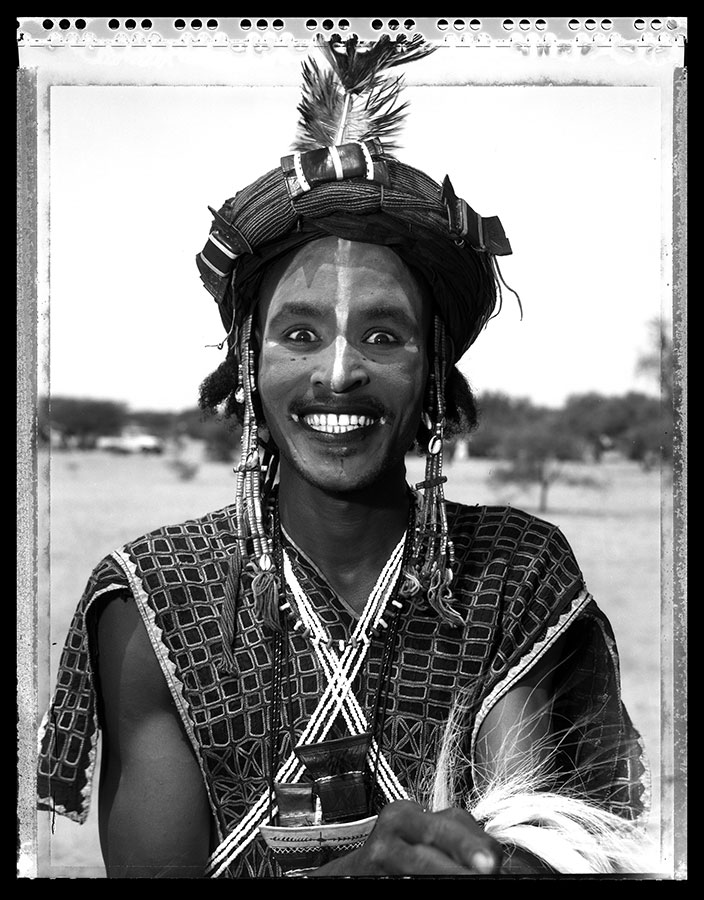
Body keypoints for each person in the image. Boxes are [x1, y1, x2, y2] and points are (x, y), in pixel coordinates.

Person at [37, 36, 651, 878]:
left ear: (432, 372)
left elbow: (528, 828)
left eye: (384, 335)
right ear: (249, 367)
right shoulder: (156, 606)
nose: (337, 372)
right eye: (299, 334)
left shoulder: (511, 575)